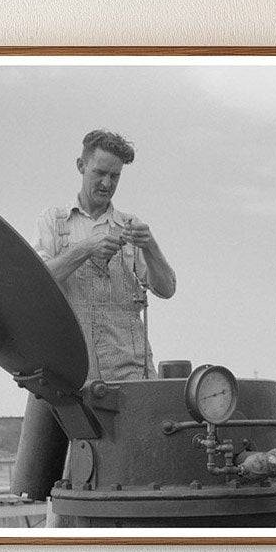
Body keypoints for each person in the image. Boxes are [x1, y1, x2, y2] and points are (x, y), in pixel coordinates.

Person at [33, 129, 176, 383]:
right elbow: (39, 281)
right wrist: (86, 248)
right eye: (99, 173)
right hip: (73, 373)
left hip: (129, 371)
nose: (107, 183)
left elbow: (167, 289)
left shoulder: (130, 225)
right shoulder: (54, 222)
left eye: (115, 176)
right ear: (81, 166)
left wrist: (151, 246)